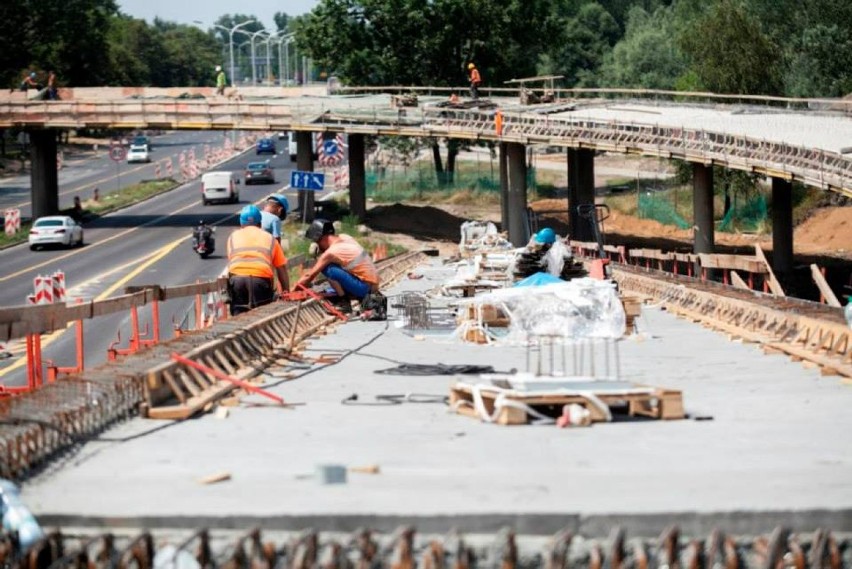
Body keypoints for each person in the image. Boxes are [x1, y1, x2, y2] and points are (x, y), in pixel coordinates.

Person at [296, 219, 386, 318]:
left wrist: (294, 290)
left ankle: (344, 302)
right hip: (372, 286)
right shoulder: (345, 237)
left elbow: (309, 275)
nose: (316, 244)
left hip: (364, 288)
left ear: (321, 238)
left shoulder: (330, 253)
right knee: (330, 282)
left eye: (316, 241)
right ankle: (352, 297)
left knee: (327, 268)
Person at [226, 205, 289, 315]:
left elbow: (231, 261)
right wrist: (286, 292)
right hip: (261, 280)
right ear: (260, 223)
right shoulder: (270, 239)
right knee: (262, 316)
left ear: (241, 223)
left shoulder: (232, 237)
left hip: (237, 280)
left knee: (238, 317)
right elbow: (281, 268)